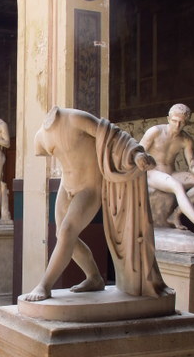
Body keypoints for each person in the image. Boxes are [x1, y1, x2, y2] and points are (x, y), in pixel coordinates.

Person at [24, 106, 166, 302]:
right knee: (64, 236)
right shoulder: (40, 136)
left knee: (67, 232)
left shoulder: (74, 118)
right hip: (66, 187)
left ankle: (44, 285)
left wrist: (136, 154)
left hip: (89, 188)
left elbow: (114, 136)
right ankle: (94, 277)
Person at [139, 104, 194, 238]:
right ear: (168, 119)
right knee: (176, 186)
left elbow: (191, 163)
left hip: (170, 173)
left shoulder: (186, 139)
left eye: (181, 122)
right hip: (152, 174)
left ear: (186, 122)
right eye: (174, 121)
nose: (177, 125)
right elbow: (138, 153)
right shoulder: (155, 131)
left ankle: (175, 214)